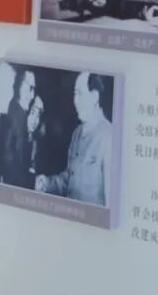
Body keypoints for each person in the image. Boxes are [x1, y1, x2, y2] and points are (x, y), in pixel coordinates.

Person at [35, 72, 111, 206]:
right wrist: (46, 183)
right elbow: (70, 178)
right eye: (75, 94)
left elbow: (111, 200)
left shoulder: (108, 136)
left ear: (94, 97)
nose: (75, 100)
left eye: (80, 93)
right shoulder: (77, 133)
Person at [0, 68, 43, 190]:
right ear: (18, 86)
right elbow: (11, 173)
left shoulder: (20, 118)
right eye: (30, 88)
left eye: (34, 89)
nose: (32, 95)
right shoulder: (14, 120)